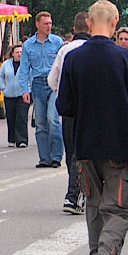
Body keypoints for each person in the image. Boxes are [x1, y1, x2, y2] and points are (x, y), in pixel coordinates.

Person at [57, 0, 128, 255]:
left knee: (94, 207)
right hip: (118, 145)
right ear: (115, 21)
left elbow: (64, 106)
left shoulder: (74, 57)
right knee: (119, 209)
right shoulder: (125, 57)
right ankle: (106, 254)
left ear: (89, 22)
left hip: (84, 146)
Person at [49, 11, 91, 214]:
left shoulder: (65, 50)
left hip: (70, 109)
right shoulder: (96, 49)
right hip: (92, 109)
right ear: (90, 27)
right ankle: (82, 192)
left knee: (72, 151)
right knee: (88, 151)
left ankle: (72, 193)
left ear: (74, 29)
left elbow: (52, 79)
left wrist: (61, 93)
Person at [17, 11, 64, 168]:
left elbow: (63, 64)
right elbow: (24, 68)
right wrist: (25, 89)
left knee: (52, 118)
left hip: (54, 84)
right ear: (38, 25)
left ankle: (56, 156)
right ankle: (44, 158)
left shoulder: (57, 42)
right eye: (45, 23)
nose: (48, 26)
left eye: (50, 23)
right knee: (41, 123)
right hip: (37, 84)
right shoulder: (29, 45)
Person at [0, 44, 29, 149]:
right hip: (9, 94)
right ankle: (11, 139)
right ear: (12, 54)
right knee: (11, 117)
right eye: (17, 52)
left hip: (23, 94)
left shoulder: (26, 64)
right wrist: (3, 88)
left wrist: (28, 89)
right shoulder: (6, 64)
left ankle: (22, 140)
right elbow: (1, 76)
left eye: (21, 52)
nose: (19, 54)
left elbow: (31, 77)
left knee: (21, 117)